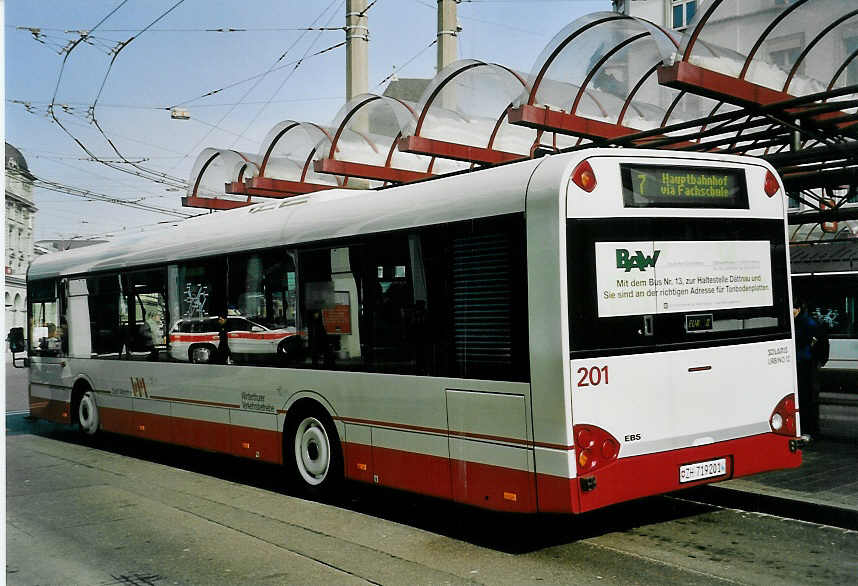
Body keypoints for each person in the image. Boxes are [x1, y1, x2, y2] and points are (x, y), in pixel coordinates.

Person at [793, 299, 819, 434]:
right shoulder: (800, 322)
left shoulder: (806, 323)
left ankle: (811, 429)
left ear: (797, 309)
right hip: (802, 361)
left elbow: (812, 342)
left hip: (806, 363)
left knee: (807, 397)